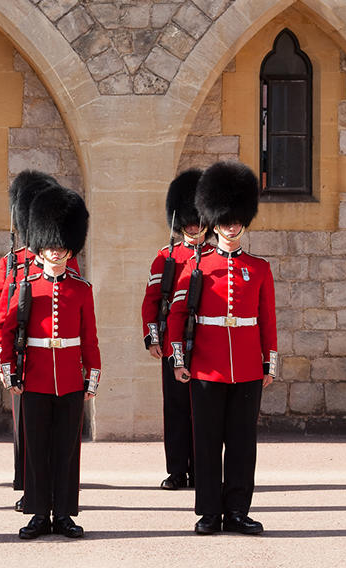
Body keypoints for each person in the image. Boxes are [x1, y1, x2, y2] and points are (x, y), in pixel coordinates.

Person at [167, 161, 277, 535]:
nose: (232, 225)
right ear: (214, 221)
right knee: (208, 442)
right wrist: (178, 359)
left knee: (243, 445)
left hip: (246, 366)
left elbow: (267, 319)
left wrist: (269, 363)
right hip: (207, 367)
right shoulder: (197, 266)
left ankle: (238, 511)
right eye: (225, 219)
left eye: (237, 219)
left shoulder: (258, 268)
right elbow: (177, 316)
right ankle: (209, 511)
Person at [0, 185, 99, 540]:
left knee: (68, 450)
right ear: (41, 246)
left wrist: (92, 378)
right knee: (37, 449)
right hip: (35, 377)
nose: (56, 253)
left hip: (70, 378)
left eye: (62, 247)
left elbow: (90, 338)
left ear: (70, 249)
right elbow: (4, 330)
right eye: (51, 246)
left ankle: (65, 514)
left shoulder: (80, 289)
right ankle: (39, 513)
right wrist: (9, 371)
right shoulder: (26, 286)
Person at [0, 171, 79, 511]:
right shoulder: (10, 263)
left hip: (54, 361)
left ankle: (53, 493)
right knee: (28, 430)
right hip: (25, 357)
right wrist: (4, 358)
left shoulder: (66, 261)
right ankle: (31, 489)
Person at [140, 168, 212, 490]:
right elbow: (153, 300)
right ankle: (177, 470)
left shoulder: (214, 255)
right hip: (173, 342)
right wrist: (154, 338)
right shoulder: (166, 257)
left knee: (204, 411)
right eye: (190, 222)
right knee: (177, 408)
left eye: (199, 222)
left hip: (208, 343)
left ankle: (201, 470)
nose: (195, 228)